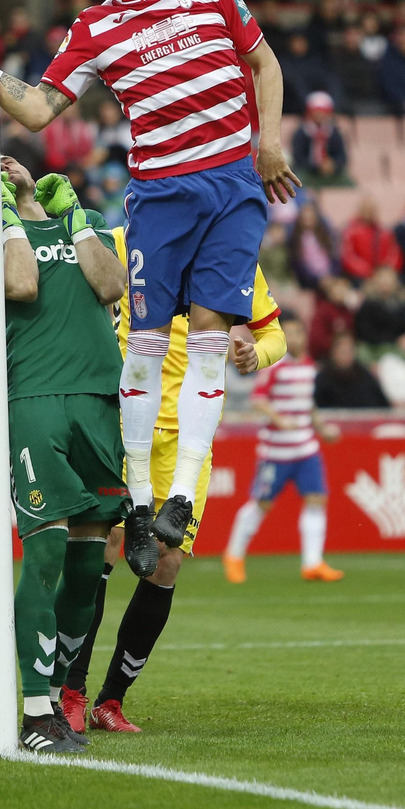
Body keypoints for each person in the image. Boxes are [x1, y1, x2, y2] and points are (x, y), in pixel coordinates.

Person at [0, 0, 299, 561]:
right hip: (159, 196)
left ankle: (180, 497)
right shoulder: (94, 28)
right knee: (142, 347)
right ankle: (137, 503)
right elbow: (38, 111)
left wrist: (271, 141)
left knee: (210, 345)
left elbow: (266, 65)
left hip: (230, 186)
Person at [61, 203, 285, 736]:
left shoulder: (231, 256)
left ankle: (111, 700)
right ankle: (70, 689)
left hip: (188, 445)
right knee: (107, 547)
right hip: (121, 427)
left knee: (167, 564)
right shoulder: (119, 243)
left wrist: (257, 354)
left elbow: (276, 334)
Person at [0, 156, 129, 753]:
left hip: (101, 399)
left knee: (87, 570)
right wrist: (7, 214)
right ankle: (33, 713)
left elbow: (110, 285)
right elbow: (22, 284)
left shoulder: (89, 223)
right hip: (37, 398)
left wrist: (70, 213)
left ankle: (58, 698)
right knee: (45, 553)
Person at [223, 314, 345, 585]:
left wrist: (322, 428)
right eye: (287, 334)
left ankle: (312, 563)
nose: (294, 339)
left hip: (306, 449)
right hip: (276, 452)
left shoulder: (309, 366)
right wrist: (281, 421)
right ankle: (234, 556)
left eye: (298, 333)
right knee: (261, 504)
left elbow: (307, 403)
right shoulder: (274, 366)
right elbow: (258, 400)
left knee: (317, 499)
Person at [314, 331, 390, 409]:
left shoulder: (364, 377)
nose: (346, 355)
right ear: (333, 352)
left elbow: (382, 407)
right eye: (343, 351)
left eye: (349, 350)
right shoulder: (323, 380)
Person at [291, 92, 351, 186]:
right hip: (308, 173)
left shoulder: (334, 133)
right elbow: (298, 158)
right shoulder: (302, 133)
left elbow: (342, 157)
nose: (319, 116)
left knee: (348, 183)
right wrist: (317, 166)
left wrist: (333, 165)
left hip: (332, 174)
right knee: (299, 182)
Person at [339, 197, 402, 284]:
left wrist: (386, 271)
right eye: (366, 209)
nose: (369, 212)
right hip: (360, 276)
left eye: (372, 210)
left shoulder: (384, 232)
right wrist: (370, 272)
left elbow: (394, 253)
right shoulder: (350, 231)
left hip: (384, 276)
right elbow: (348, 258)